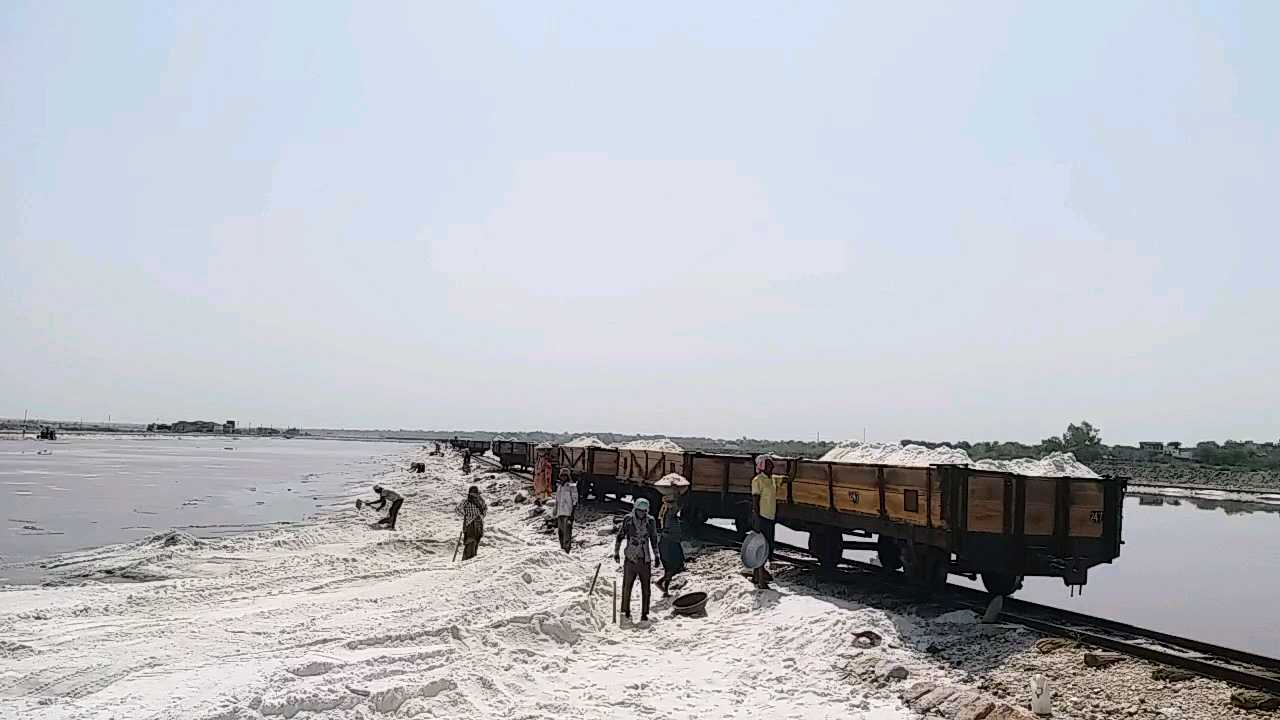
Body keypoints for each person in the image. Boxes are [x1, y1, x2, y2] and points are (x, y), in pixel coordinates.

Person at [614, 497, 660, 622]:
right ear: (635, 510)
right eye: (640, 511)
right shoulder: (628, 519)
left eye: (644, 511)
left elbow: (654, 538)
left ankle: (645, 613)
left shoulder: (650, 521)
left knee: (646, 588)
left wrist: (656, 555)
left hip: (645, 558)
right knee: (627, 586)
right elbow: (620, 536)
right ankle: (625, 611)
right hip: (630, 557)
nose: (642, 514)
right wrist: (616, 552)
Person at [751, 455, 782, 589]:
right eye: (769, 465)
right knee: (762, 548)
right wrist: (757, 520)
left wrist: (796, 464)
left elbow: (789, 478)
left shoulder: (773, 479)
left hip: (770, 517)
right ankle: (761, 581)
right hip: (762, 517)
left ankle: (757, 575)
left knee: (768, 546)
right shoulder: (758, 480)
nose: (772, 467)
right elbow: (755, 502)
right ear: (762, 466)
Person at [656, 490, 686, 598]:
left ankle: (663, 586)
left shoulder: (666, 513)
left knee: (672, 567)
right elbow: (679, 507)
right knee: (672, 567)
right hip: (669, 543)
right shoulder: (670, 514)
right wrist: (679, 496)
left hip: (670, 542)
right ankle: (663, 587)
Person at [457, 485, 487, 560]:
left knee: (476, 540)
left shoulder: (481, 501)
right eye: (474, 493)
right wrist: (466, 514)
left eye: (476, 493)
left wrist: (482, 516)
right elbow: (458, 509)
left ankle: (473, 559)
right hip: (470, 523)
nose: (475, 495)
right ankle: (467, 559)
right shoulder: (466, 501)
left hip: (479, 523)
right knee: (470, 541)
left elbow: (485, 509)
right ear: (470, 493)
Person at [554, 469, 578, 553]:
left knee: (567, 532)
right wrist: (555, 511)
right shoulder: (560, 486)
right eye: (562, 475)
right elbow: (557, 500)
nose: (563, 477)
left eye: (565, 475)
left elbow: (575, 500)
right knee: (560, 532)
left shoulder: (572, 486)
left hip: (568, 513)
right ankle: (562, 548)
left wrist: (572, 514)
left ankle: (566, 549)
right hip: (560, 512)